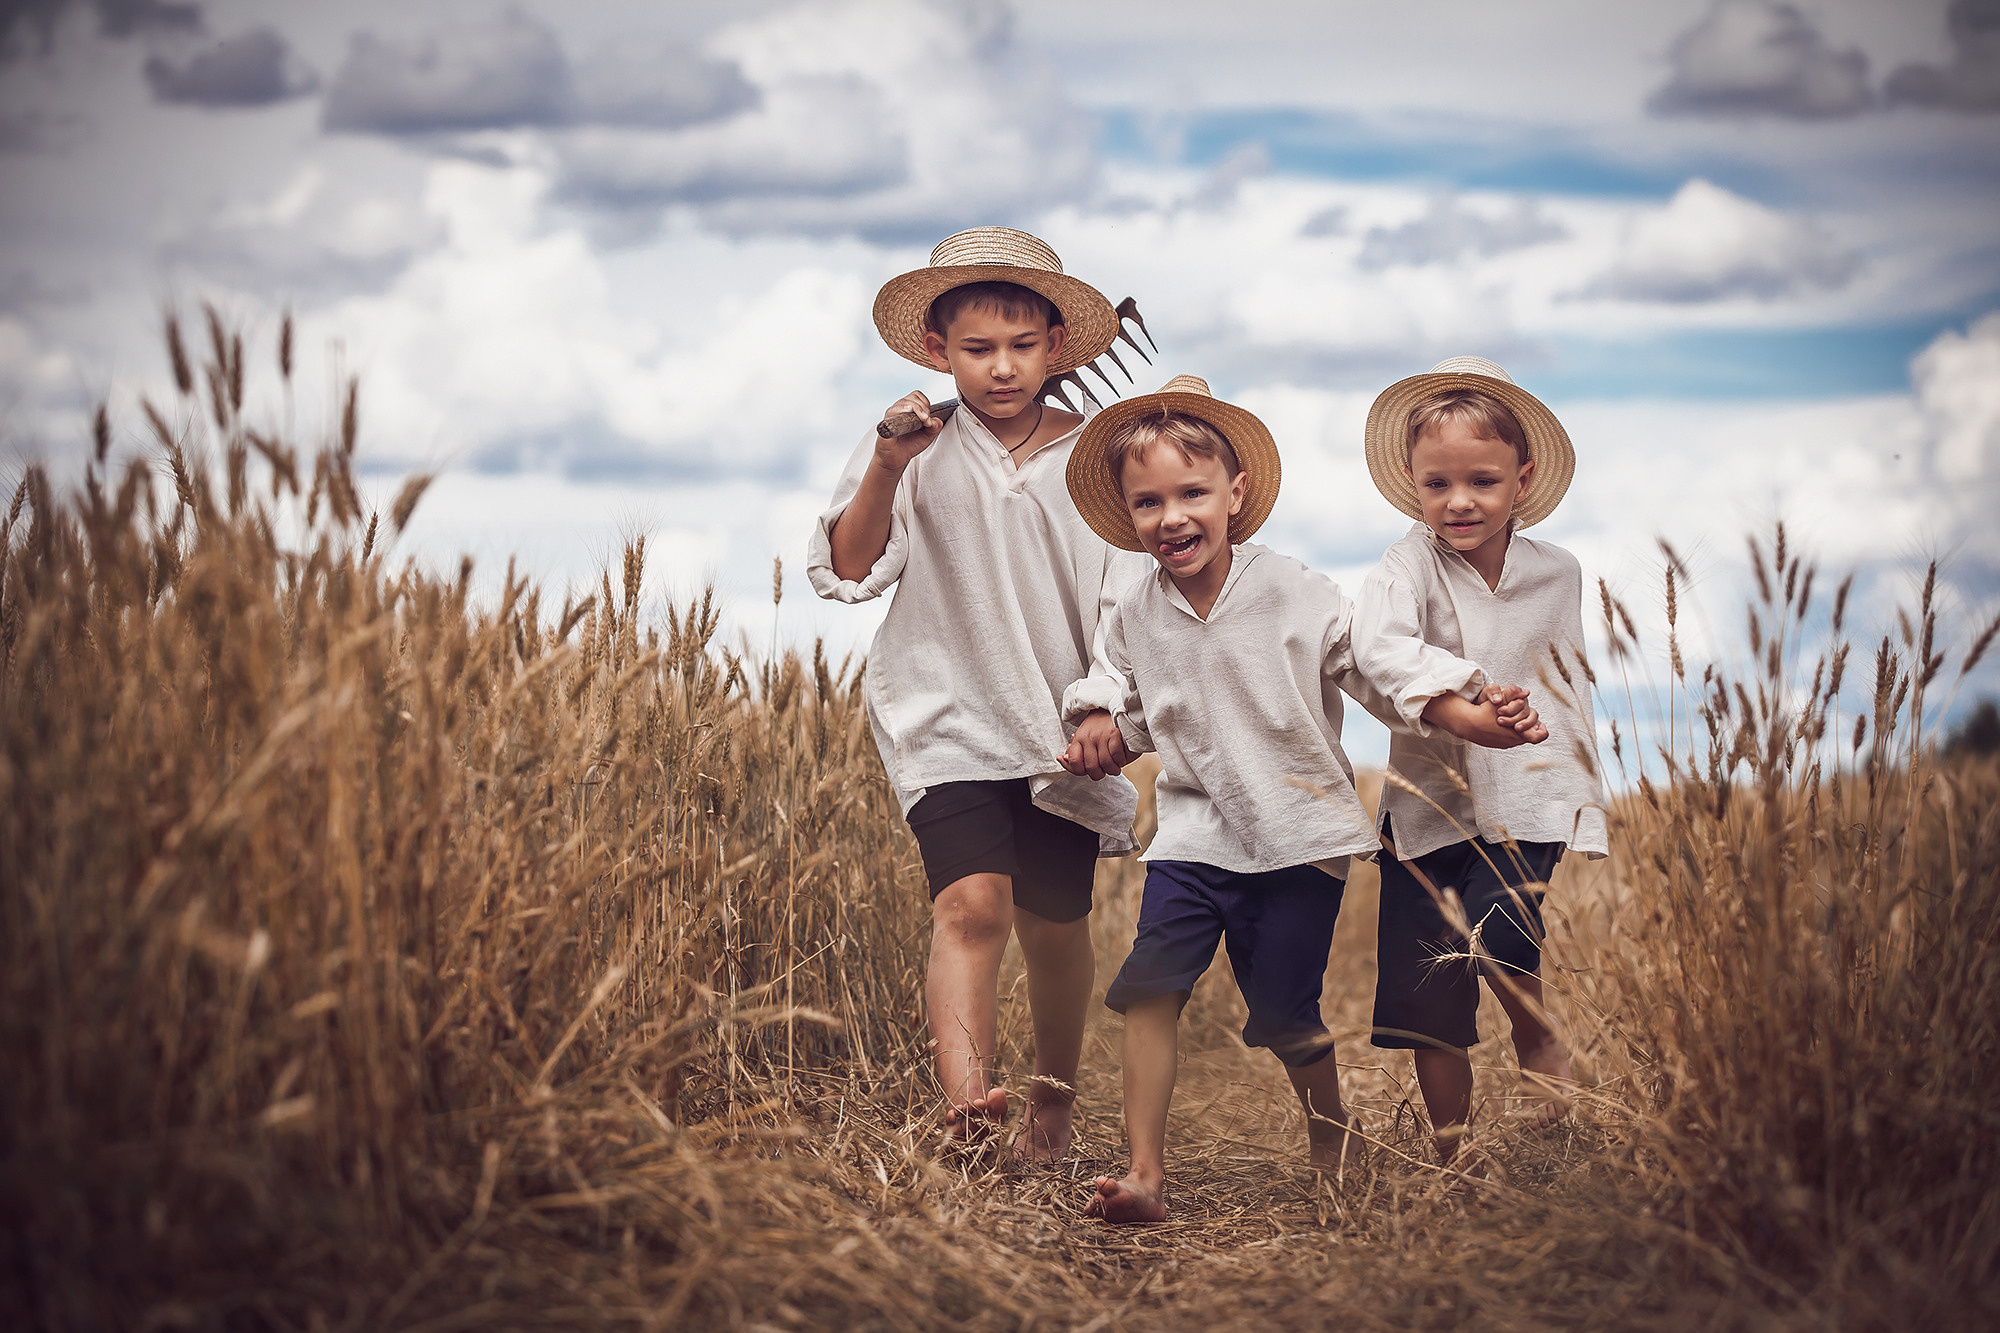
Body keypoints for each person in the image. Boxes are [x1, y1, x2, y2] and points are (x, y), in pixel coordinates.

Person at [1055, 375, 1545, 1223]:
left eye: (1192, 493)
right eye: (1148, 502)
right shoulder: (1133, 608)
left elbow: (1375, 669)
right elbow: (1135, 703)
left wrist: (1469, 709)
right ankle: (1143, 1174)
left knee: (1286, 1015)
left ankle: (1331, 1129)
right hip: (1192, 838)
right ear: (1127, 515)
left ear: (1235, 494)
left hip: (1299, 839)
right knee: (1151, 986)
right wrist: (1098, 723)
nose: (1171, 517)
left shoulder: (1293, 589)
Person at [807, 227, 1149, 1161]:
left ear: (1056, 344)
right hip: (943, 712)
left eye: (1023, 346)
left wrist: (1103, 703)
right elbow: (849, 568)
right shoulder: (910, 448)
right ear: (936, 351)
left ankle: (1051, 1103)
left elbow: (1123, 601)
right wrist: (888, 463)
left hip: (1056, 725)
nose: (1002, 367)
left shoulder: (1095, 458)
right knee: (971, 906)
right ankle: (968, 1113)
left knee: (1055, 927)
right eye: (977, 348)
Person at [1355, 355, 1609, 1172]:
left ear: (1521, 479)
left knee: (1500, 934)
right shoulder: (1405, 567)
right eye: (1438, 483)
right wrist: (1470, 696)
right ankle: (1452, 1151)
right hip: (1426, 806)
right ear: (1413, 482)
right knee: (1428, 986)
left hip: (1528, 794)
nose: (1459, 501)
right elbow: (1379, 649)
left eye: (1482, 481)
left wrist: (1538, 740)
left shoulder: (1557, 573)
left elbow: (1562, 680)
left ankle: (1537, 1033)